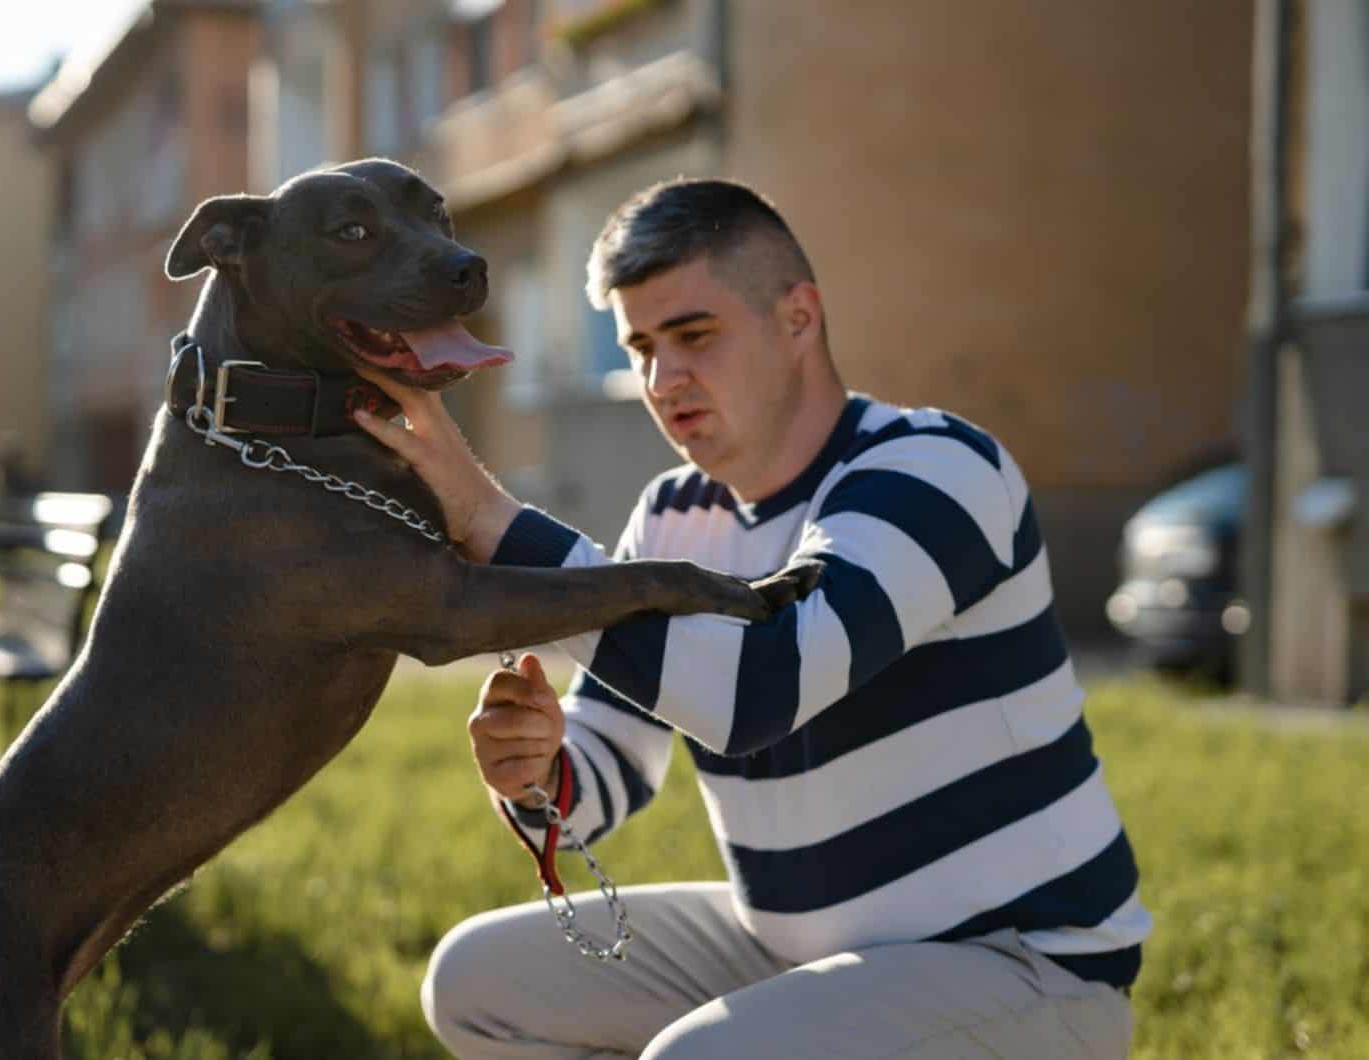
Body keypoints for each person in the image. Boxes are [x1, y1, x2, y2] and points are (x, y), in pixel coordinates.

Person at [353, 178, 1149, 1059]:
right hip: (794, 952)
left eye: (694, 336)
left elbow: (764, 686)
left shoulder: (935, 469)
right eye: (641, 347)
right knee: (476, 984)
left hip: (1025, 967)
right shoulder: (672, 514)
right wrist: (538, 769)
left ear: (799, 317)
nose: (663, 380)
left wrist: (487, 519)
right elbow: (611, 756)